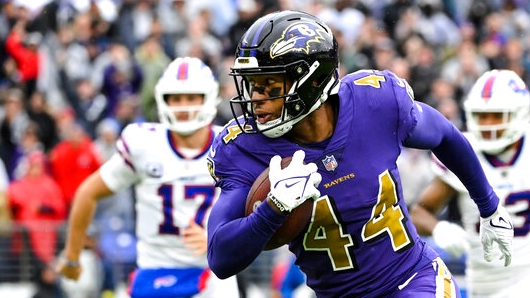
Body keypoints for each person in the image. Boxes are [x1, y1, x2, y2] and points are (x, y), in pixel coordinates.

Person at [205, 10, 514, 297]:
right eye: (251, 85)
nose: (255, 99)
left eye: (269, 84)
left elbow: (444, 134)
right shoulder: (244, 147)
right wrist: (273, 209)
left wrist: (488, 206)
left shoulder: (375, 102)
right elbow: (220, 258)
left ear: (312, 80)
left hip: (411, 278)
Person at [56, 56, 240, 298]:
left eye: (191, 97)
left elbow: (260, 212)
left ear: (209, 98)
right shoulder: (144, 144)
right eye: (175, 98)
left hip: (211, 270)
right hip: (153, 269)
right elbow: (87, 193)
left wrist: (223, 240)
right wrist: (71, 256)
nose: (183, 106)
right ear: (162, 100)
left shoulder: (232, 145)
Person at [410, 69, 530, 298]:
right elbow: (418, 213)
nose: (488, 124)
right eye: (482, 115)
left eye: (497, 115)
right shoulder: (464, 151)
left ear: (520, 114)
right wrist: (439, 228)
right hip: (484, 281)